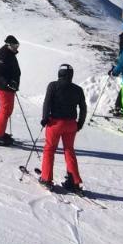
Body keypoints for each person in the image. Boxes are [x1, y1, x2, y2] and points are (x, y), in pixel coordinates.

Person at [39, 63, 87, 192]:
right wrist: (79, 123)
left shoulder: (53, 85)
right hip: (71, 124)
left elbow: (47, 102)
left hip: (55, 123)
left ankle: (46, 178)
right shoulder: (78, 89)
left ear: (59, 73)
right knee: (69, 150)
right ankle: (74, 181)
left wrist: (44, 118)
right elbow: (83, 108)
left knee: (49, 149)